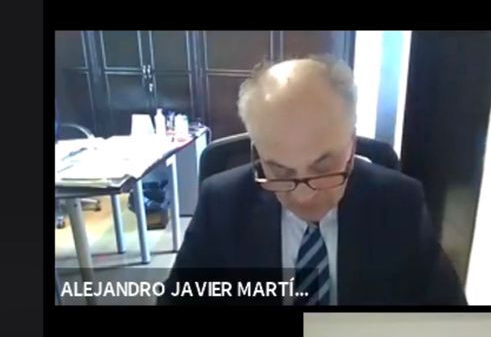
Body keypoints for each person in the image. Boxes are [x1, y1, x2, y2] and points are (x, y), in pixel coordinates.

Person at [160, 55, 466, 305]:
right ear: (257, 153)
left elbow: (445, 315)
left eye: (323, 167)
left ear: (351, 145)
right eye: (280, 171)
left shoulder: (400, 202)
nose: (304, 197)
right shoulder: (221, 204)